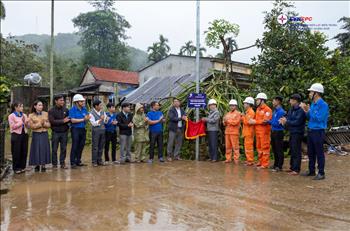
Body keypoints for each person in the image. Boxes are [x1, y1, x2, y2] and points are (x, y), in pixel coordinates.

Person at [300, 83, 329, 180]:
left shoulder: (323, 105)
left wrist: (309, 111)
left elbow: (319, 119)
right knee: (311, 152)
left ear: (316, 93)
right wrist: (306, 111)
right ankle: (311, 170)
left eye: (311, 92)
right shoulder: (313, 104)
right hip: (311, 130)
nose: (309, 93)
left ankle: (321, 173)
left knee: (319, 152)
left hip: (318, 131)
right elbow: (310, 118)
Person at [279, 94, 306, 175]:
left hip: (298, 133)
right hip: (292, 132)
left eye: (291, 100)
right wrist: (283, 119)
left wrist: (286, 121)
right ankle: (292, 167)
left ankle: (296, 169)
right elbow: (288, 117)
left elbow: (297, 122)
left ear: (295, 101)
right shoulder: (291, 109)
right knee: (292, 149)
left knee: (296, 150)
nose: (290, 101)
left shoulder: (301, 111)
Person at [249, 93, 272, 169]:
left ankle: (265, 163)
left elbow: (265, 121)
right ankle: (260, 161)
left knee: (265, 147)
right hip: (258, 132)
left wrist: (255, 121)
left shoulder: (268, 110)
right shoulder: (258, 109)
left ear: (262, 100)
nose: (256, 101)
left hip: (264, 132)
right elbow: (257, 119)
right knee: (259, 147)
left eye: (257, 100)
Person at [28, 100, 51, 172]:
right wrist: (40, 124)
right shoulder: (31, 115)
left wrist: (44, 124)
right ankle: (37, 165)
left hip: (44, 133)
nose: (41, 106)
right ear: (35, 106)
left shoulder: (46, 114)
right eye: (39, 105)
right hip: (36, 134)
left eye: (42, 105)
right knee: (36, 149)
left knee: (44, 149)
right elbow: (32, 126)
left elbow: (49, 125)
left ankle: (43, 165)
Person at [69, 94, 91, 169]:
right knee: (75, 145)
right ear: (76, 102)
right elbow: (72, 120)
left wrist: (87, 118)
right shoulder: (72, 110)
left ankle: (78, 161)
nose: (83, 102)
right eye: (81, 101)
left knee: (81, 145)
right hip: (75, 129)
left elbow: (87, 118)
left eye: (83, 101)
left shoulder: (84, 109)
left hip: (83, 129)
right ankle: (72, 162)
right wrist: (83, 119)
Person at [48, 95, 70, 169]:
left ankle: (62, 163)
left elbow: (69, 119)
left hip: (64, 132)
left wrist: (68, 121)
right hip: (55, 132)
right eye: (61, 100)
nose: (62, 102)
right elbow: (52, 121)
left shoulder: (66, 110)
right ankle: (54, 164)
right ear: (56, 101)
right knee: (54, 149)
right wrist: (63, 121)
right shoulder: (51, 111)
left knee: (63, 148)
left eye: (63, 100)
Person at [8, 102, 29, 174]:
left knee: (24, 151)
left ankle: (22, 167)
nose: (22, 108)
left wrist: (26, 123)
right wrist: (21, 122)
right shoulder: (11, 116)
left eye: (22, 106)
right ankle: (16, 168)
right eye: (20, 107)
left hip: (24, 134)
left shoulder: (24, 115)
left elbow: (27, 125)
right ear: (15, 107)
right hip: (16, 135)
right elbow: (13, 127)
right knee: (16, 152)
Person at [267, 96, 286, 172]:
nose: (272, 102)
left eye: (274, 101)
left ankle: (279, 165)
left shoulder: (281, 112)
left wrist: (268, 121)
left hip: (279, 132)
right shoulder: (275, 111)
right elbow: (273, 121)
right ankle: (275, 164)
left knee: (279, 149)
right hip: (273, 131)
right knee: (274, 148)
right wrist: (270, 121)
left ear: (278, 101)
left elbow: (278, 123)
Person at [89, 99, 108, 167]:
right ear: (96, 106)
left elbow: (105, 122)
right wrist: (101, 119)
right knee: (95, 146)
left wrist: (106, 119)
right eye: (100, 105)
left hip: (103, 130)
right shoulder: (91, 113)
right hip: (96, 131)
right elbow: (93, 123)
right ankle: (94, 161)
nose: (101, 106)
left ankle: (99, 160)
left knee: (101, 146)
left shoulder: (103, 112)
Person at [223, 99, 241, 164]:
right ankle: (228, 159)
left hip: (234, 133)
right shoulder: (227, 114)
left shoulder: (238, 113)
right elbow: (224, 123)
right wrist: (224, 121)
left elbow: (235, 122)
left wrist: (227, 121)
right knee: (228, 147)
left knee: (235, 147)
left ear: (235, 106)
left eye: (233, 106)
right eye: (230, 105)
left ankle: (236, 159)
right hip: (227, 132)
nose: (231, 107)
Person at [241, 97, 255, 166]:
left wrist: (243, 117)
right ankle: (248, 160)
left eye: (245, 103)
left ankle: (250, 161)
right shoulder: (247, 112)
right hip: (247, 132)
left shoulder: (251, 112)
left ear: (249, 104)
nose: (244, 104)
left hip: (249, 132)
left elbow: (247, 122)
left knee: (249, 147)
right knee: (247, 147)